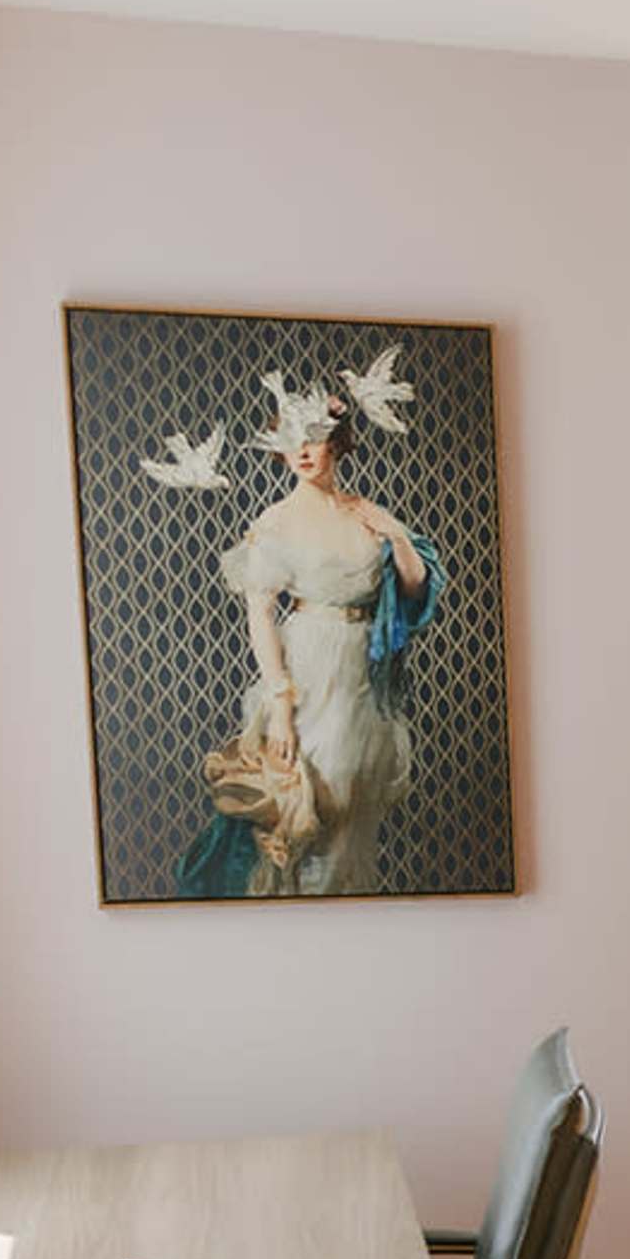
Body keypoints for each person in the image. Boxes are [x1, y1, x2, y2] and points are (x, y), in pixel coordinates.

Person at [173, 365, 443, 896]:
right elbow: (260, 615)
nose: (303, 451)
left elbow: (413, 589)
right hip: (307, 668)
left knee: (349, 811)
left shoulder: (365, 512)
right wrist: (280, 707)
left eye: (315, 439)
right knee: (301, 809)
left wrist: (395, 535)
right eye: (292, 440)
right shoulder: (276, 522)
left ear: (336, 446)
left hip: (360, 676)